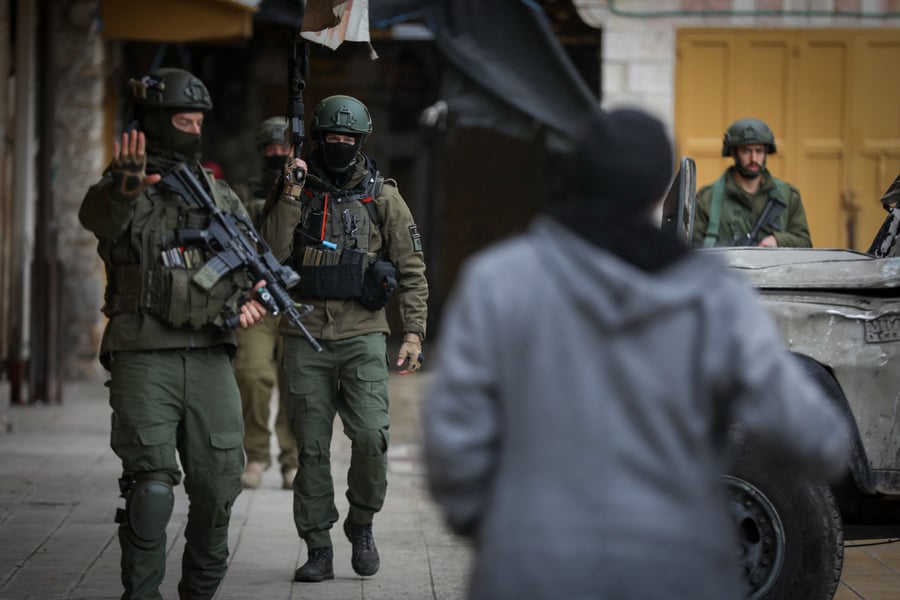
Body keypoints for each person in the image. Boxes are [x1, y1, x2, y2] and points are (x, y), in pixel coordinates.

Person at [423, 108, 849, 600]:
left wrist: (495, 529)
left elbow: (452, 442)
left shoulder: (498, 281)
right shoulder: (715, 299)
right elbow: (820, 441)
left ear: (575, 177)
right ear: (657, 192)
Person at [79, 67, 268, 600]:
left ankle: (200, 592)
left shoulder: (219, 195)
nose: (192, 129)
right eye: (182, 120)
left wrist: (249, 302)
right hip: (143, 354)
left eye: (198, 121)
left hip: (210, 356)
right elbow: (96, 219)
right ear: (156, 123)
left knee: (218, 486)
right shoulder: (124, 187)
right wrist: (122, 184)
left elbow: (249, 268)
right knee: (152, 487)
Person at [259, 94, 429, 583]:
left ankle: (361, 523)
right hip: (304, 333)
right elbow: (268, 254)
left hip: (362, 333)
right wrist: (289, 196)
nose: (339, 145)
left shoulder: (382, 196)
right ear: (317, 139)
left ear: (360, 142)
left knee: (373, 437)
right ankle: (317, 546)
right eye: (331, 138)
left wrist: (413, 333)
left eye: (347, 139)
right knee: (310, 449)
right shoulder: (294, 187)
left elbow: (412, 269)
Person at [233, 117, 299, 490]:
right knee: (254, 375)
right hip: (256, 297)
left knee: (294, 381)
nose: (277, 153)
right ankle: (256, 455)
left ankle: (292, 461)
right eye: (271, 148)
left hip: (295, 301)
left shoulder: (309, 190)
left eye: (283, 147)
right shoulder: (242, 194)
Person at [693, 117, 812, 248]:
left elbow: (804, 243)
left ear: (766, 152)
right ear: (733, 152)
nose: (753, 158)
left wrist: (777, 240)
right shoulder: (707, 199)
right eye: (746, 151)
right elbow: (691, 250)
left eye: (759, 151)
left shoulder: (788, 196)